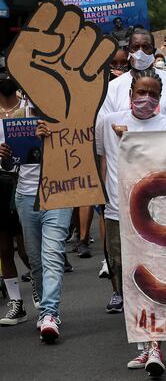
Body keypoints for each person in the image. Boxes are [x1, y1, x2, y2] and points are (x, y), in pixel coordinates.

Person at [96, 68, 166, 376]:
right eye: (141, 92)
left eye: (153, 94)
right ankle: (145, 346)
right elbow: (99, 157)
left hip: (153, 212)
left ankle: (156, 344)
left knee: (150, 278)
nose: (146, 98)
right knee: (126, 279)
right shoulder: (107, 123)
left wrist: (130, 140)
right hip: (117, 212)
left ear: (159, 99)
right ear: (130, 94)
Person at [13, 105, 73, 343]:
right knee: (35, 260)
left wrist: (54, 140)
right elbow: (11, 165)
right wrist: (6, 156)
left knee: (52, 255)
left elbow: (78, 153)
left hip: (58, 194)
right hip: (26, 197)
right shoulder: (18, 118)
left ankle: (50, 313)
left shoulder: (66, 115)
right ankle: (46, 309)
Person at [99, 29, 166, 129]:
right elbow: (106, 127)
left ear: (153, 51)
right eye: (136, 47)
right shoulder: (112, 87)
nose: (140, 52)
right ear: (128, 50)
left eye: (145, 47)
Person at [0, 74, 31, 326]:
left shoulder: (27, 111)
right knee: (4, 250)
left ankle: (40, 293)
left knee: (25, 248)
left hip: (19, 182)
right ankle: (15, 303)